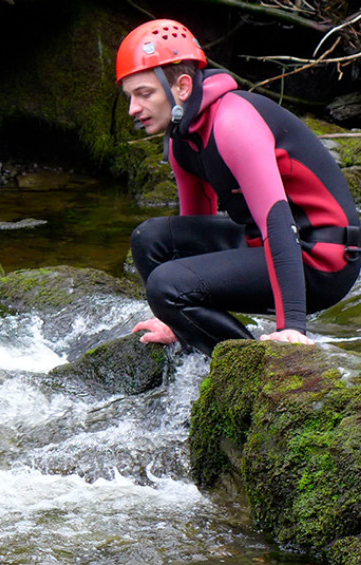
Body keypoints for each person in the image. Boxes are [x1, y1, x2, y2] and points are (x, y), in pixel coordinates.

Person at [118, 19, 360, 356]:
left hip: (322, 259)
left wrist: (290, 327)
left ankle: (249, 364)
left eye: (144, 94)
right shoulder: (181, 140)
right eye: (130, 96)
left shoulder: (233, 122)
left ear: (183, 87)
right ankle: (197, 338)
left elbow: (278, 222)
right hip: (266, 244)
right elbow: (190, 236)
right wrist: (175, 313)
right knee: (151, 239)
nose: (133, 109)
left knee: (167, 284)